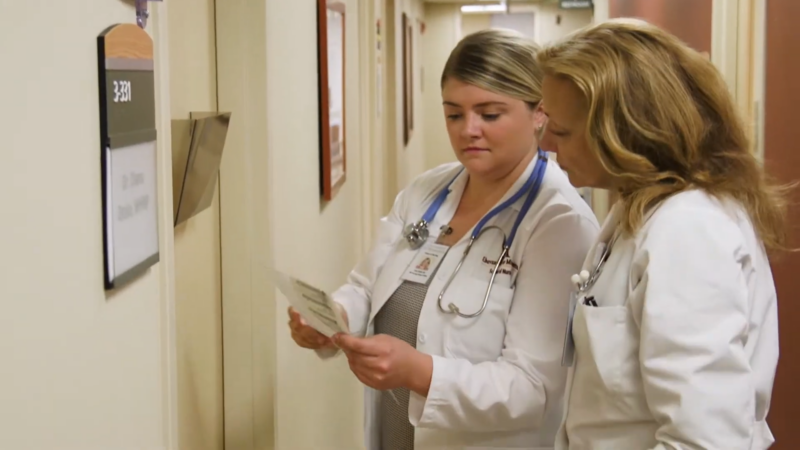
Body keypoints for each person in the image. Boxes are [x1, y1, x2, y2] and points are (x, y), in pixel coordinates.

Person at [288, 29, 599, 450]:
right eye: (454, 114)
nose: (468, 130)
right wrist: (335, 319)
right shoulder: (427, 192)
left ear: (539, 113)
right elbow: (366, 284)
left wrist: (420, 373)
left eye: (490, 115)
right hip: (395, 432)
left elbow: (535, 389)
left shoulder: (559, 223)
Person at [536, 18, 788, 450]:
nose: (546, 144)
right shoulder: (635, 212)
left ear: (624, 130)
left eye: (561, 131)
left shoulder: (688, 229)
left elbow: (705, 440)